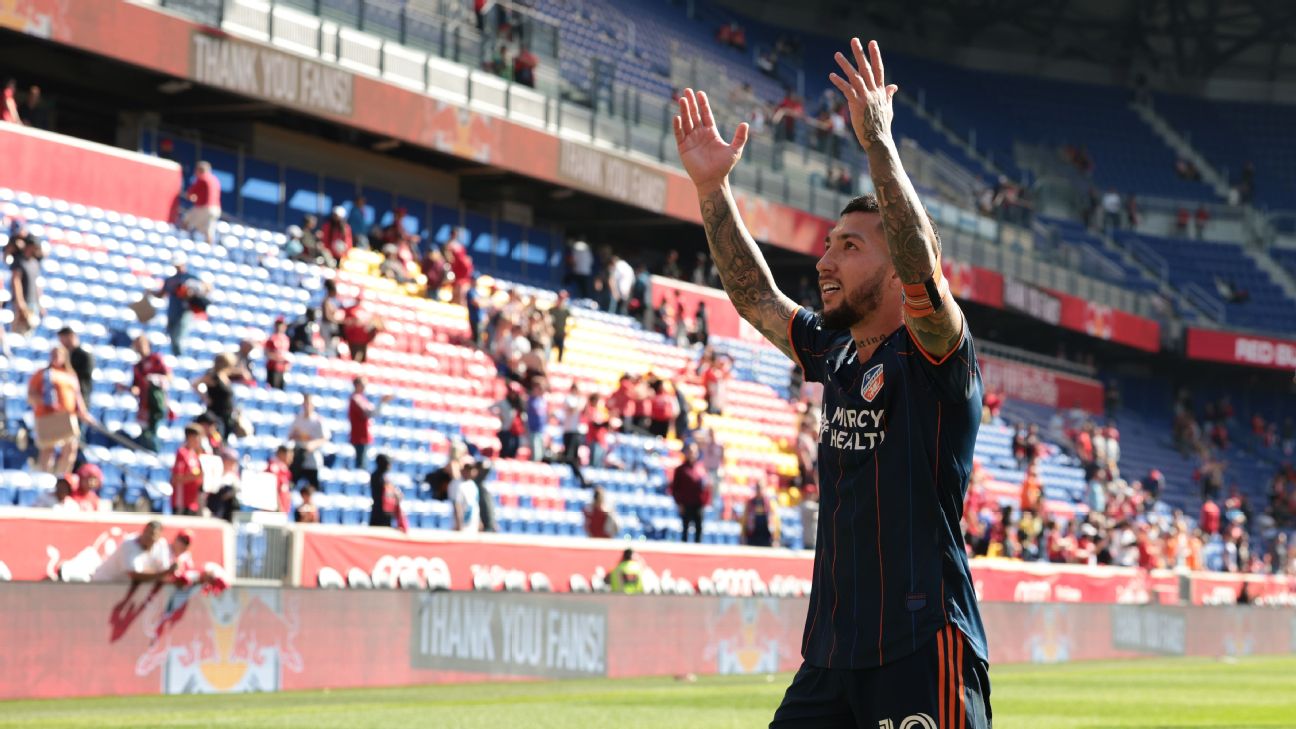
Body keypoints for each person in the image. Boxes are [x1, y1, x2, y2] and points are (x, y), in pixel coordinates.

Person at [674, 40, 990, 727]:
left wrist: (878, 144)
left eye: (851, 246)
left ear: (901, 262)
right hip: (830, 658)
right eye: (826, 244)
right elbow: (757, 295)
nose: (826, 260)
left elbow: (924, 274)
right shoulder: (836, 352)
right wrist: (712, 191)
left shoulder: (935, 353)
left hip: (922, 646)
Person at [28, 346, 89, 473]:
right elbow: (31, 395)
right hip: (47, 416)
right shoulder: (42, 374)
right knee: (48, 449)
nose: (55, 357)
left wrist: (83, 412)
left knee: (70, 447)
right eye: (53, 354)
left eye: (58, 354)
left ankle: (63, 476)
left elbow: (77, 396)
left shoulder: (70, 375)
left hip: (66, 417)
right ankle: (45, 476)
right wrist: (46, 402)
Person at [127, 335, 170, 452]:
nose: (140, 348)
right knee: (145, 432)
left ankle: (156, 455)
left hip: (157, 401)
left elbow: (168, 376)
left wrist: (155, 379)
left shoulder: (156, 359)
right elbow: (136, 385)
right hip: (144, 404)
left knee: (153, 431)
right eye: (137, 345)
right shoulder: (137, 366)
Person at [92, 521, 173, 582]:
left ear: (159, 537)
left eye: (152, 534)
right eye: (146, 532)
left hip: (120, 587)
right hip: (103, 583)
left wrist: (165, 573)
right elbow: (135, 575)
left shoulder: (161, 545)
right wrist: (162, 573)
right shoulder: (129, 544)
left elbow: (164, 570)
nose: (148, 536)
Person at [155, 255, 200, 357]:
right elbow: (161, 294)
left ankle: (180, 358)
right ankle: (175, 356)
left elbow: (206, 288)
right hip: (172, 311)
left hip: (183, 312)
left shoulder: (190, 278)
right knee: (172, 335)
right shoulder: (170, 280)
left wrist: (191, 292)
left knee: (178, 337)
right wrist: (150, 293)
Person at [669, 441, 711, 543]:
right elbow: (674, 488)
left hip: (698, 505)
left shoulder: (701, 468)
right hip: (686, 504)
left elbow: (706, 486)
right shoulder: (680, 470)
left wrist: (706, 501)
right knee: (685, 529)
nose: (692, 454)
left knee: (699, 528)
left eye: (694, 451)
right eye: (690, 451)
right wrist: (679, 504)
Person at [289, 394, 331, 491]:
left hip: (312, 459)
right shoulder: (297, 419)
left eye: (309, 404)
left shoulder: (318, 420)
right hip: (298, 459)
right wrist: (299, 436)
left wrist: (313, 444)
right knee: (292, 484)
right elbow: (290, 435)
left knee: (313, 488)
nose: (307, 406)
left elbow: (325, 438)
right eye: (305, 403)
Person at [194, 353, 240, 440]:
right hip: (216, 414)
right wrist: (205, 398)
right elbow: (195, 384)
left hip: (227, 414)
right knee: (217, 439)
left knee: (224, 438)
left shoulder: (225, 375)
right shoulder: (212, 376)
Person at [349, 377, 391, 470]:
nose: (365, 387)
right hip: (360, 437)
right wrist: (381, 402)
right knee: (361, 466)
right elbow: (370, 413)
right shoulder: (356, 399)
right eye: (363, 384)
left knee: (363, 463)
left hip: (363, 436)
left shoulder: (361, 398)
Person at [7, 229, 43, 335]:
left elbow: (37, 284)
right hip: (23, 303)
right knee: (18, 333)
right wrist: (20, 303)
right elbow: (16, 281)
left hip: (33, 303)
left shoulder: (35, 263)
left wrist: (39, 303)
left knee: (29, 333)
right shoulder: (19, 260)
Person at [55, 326, 94, 410]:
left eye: (63, 338)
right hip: (66, 398)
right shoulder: (64, 355)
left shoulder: (84, 355)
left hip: (80, 397)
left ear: (71, 336)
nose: (61, 342)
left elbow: (85, 374)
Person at [183, 161, 222, 244]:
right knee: (208, 231)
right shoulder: (215, 179)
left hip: (205, 207)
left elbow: (190, 195)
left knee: (185, 220)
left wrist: (192, 197)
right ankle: (208, 250)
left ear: (199, 170)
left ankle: (184, 240)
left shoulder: (202, 178)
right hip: (216, 209)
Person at [171, 425, 206, 516]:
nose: (200, 440)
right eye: (199, 437)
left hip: (193, 501)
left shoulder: (195, 454)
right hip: (182, 501)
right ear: (190, 437)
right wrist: (196, 476)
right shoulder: (182, 453)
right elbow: (176, 478)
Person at [742, 482, 781, 547]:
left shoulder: (770, 503)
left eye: (761, 488)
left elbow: (776, 521)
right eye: (758, 488)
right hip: (752, 536)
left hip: (767, 537)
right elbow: (744, 520)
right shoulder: (750, 503)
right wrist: (743, 535)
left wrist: (776, 538)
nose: (759, 490)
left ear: (765, 489)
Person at [369, 454, 401, 527]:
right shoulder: (377, 476)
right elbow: (386, 492)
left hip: (386, 510)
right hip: (380, 511)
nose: (390, 466)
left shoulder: (383, 476)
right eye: (389, 463)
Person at [268, 444, 294, 514]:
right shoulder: (273, 469)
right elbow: (272, 490)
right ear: (281, 454)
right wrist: (279, 508)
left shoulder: (284, 470)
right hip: (275, 512)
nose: (291, 459)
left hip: (282, 511)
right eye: (289, 455)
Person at [550, 290, 572, 362]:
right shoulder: (552, 310)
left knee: (561, 351)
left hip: (561, 335)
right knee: (548, 348)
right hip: (552, 334)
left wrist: (568, 330)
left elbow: (572, 322)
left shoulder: (566, 311)